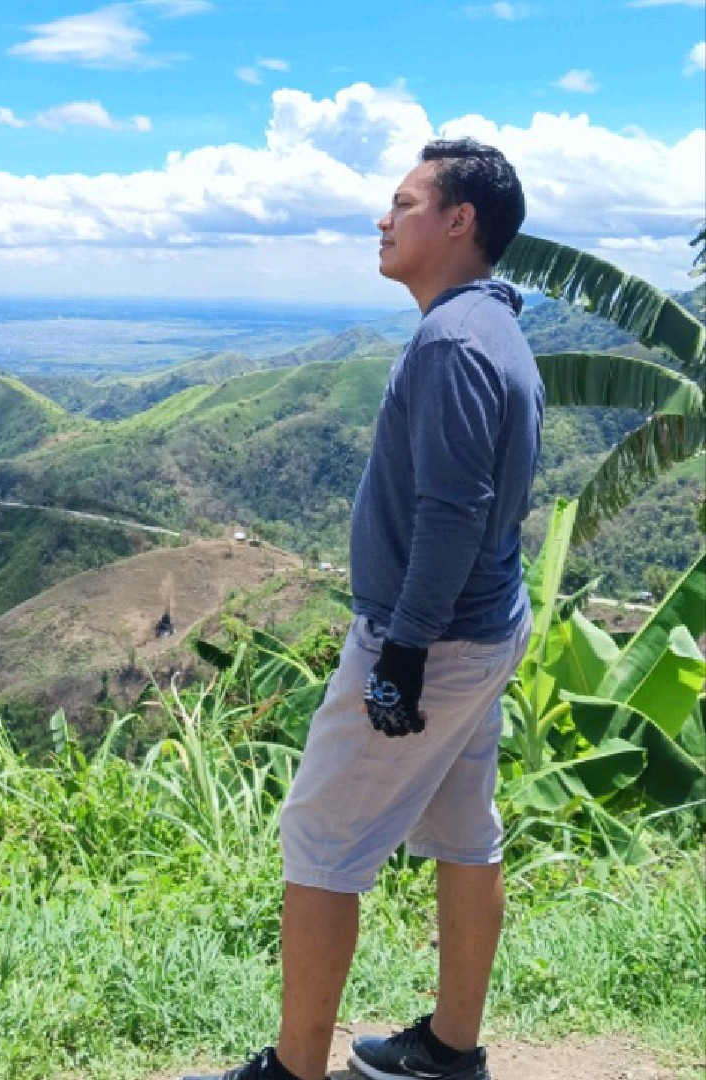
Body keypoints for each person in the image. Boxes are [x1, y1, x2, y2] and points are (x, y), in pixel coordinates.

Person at [182, 138, 543, 1080]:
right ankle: (451, 1049)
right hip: (484, 625)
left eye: (405, 204)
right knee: (464, 831)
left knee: (319, 838)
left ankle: (294, 1067)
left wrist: (404, 652)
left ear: (460, 221)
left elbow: (453, 511)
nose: (384, 220)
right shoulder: (496, 327)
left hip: (434, 638)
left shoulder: (452, 342)